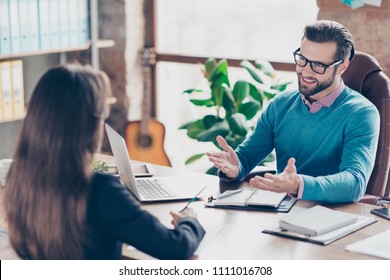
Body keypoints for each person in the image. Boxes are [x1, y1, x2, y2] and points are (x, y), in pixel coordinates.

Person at [4, 64, 205, 260]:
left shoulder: (19, 176)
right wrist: (189, 221)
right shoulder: (99, 189)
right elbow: (176, 248)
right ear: (88, 124)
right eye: (103, 116)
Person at [207, 20, 380, 203]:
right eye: (303, 59)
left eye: (318, 66)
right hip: (282, 211)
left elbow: (355, 182)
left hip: (332, 216)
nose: (305, 71)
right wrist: (236, 167)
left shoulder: (362, 114)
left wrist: (299, 185)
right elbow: (247, 156)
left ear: (342, 67)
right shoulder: (281, 104)